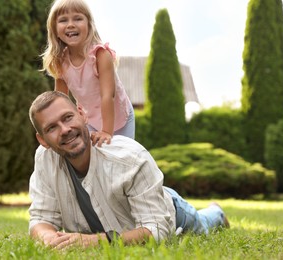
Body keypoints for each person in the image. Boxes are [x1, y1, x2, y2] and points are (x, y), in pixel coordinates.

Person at [28, 91, 229, 250]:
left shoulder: (129, 157)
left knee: (202, 225)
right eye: (52, 128)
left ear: (82, 114)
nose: (64, 130)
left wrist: (96, 242)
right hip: (125, 214)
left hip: (168, 210)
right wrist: (49, 239)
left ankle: (217, 213)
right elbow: (41, 218)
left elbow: (157, 229)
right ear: (42, 140)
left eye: (68, 117)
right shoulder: (44, 159)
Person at [41, 0, 134, 146]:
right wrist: (53, 133)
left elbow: (107, 95)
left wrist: (107, 132)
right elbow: (61, 100)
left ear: (89, 25)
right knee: (97, 162)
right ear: (55, 29)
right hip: (90, 120)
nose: (71, 24)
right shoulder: (60, 61)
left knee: (122, 158)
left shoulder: (100, 55)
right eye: (63, 20)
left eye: (78, 18)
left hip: (119, 118)